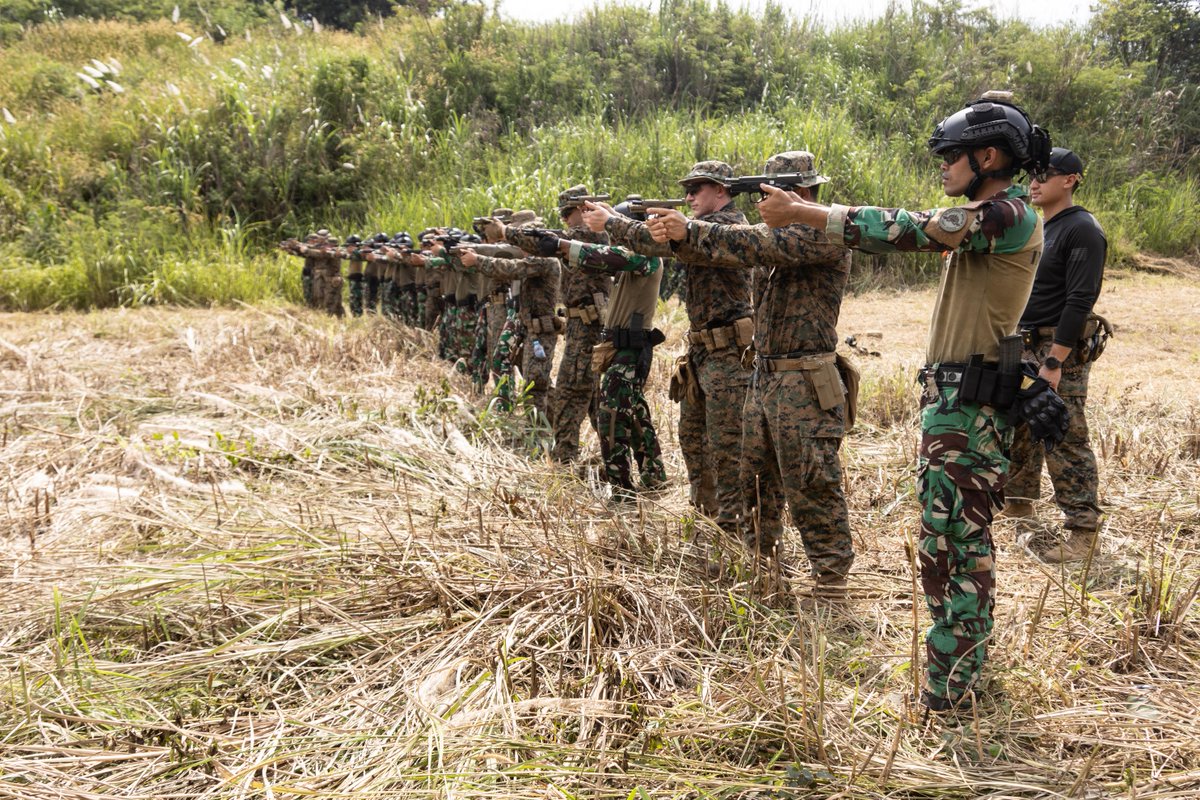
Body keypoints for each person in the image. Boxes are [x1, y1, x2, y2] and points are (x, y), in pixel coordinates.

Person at [755, 92, 1052, 712]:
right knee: (943, 542)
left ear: (988, 155)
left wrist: (807, 214)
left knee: (955, 544)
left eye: (951, 157)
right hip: (954, 406)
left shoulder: (1009, 215)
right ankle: (957, 673)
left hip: (969, 412)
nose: (942, 168)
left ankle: (953, 691)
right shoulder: (992, 219)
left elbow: (912, 230)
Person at [644, 151, 855, 600]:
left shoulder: (823, 236)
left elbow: (752, 245)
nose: (760, 203)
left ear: (797, 194)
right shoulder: (774, 235)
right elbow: (752, 242)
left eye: (767, 194)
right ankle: (762, 565)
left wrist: (690, 230)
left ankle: (831, 581)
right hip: (765, 375)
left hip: (805, 379)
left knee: (812, 480)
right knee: (755, 479)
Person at [583, 161, 754, 533]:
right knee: (693, 439)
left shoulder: (729, 228)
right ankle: (707, 521)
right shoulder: (696, 232)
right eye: (687, 189)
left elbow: (668, 240)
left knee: (728, 449)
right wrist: (614, 219)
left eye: (697, 189)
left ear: (721, 191)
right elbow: (654, 240)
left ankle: (734, 532)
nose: (689, 196)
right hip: (703, 354)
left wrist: (612, 223)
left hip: (730, 356)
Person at [506, 217, 668, 496]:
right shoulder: (634, 258)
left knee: (613, 421)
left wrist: (561, 245)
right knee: (635, 417)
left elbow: (604, 256)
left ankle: (622, 490)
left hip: (630, 351)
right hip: (619, 349)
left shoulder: (645, 257)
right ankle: (654, 476)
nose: (617, 237)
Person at [1005, 147, 1107, 563]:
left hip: (1056, 347)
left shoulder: (1081, 228)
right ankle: (1017, 505)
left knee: (1062, 432)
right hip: (1025, 342)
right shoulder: (1040, 226)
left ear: (1071, 179)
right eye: (1032, 174)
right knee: (1020, 429)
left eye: (1045, 174)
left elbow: (1080, 299)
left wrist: (1054, 361)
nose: (1035, 181)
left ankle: (1083, 531)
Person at [457, 230, 562, 421]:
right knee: (500, 360)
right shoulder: (532, 260)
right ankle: (506, 411)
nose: (520, 248)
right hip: (522, 324)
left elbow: (512, 268)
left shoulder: (545, 261)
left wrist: (477, 260)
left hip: (540, 330)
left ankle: (545, 428)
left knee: (536, 382)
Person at [546, 185, 613, 464]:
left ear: (583, 209)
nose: (564, 219)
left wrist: (509, 234)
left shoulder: (590, 236)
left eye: (567, 212)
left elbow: (558, 240)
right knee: (596, 399)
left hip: (587, 331)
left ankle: (564, 459)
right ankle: (614, 459)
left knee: (570, 394)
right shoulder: (584, 238)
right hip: (582, 327)